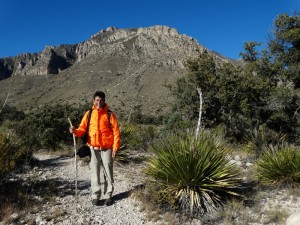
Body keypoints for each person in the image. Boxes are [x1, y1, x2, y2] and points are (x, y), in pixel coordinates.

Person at [69, 91, 120, 206]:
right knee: (95, 172)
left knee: (108, 172)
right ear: (93, 101)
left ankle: (108, 195)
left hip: (107, 148)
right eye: (97, 100)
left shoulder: (110, 115)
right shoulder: (89, 114)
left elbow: (116, 133)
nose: (99, 102)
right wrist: (75, 131)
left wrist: (115, 148)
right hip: (93, 148)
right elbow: (82, 129)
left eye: (101, 100)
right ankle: (95, 195)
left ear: (104, 101)